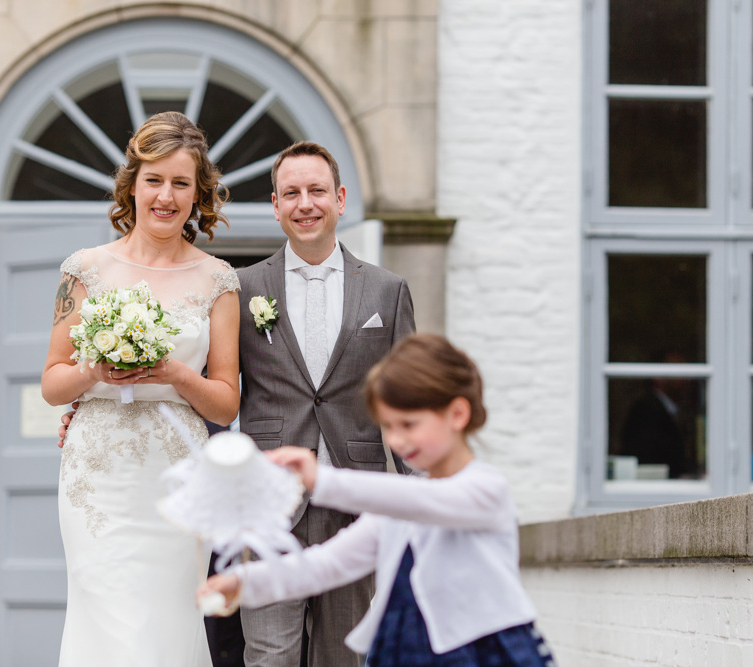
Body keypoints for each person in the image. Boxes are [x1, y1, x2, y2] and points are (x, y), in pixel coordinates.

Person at [199, 334, 556, 667]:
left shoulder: (484, 490)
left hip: (485, 650)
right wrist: (245, 581)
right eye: (388, 426)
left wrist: (322, 478)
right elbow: (326, 564)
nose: (398, 439)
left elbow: (424, 500)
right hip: (404, 651)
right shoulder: (396, 506)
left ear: (457, 415)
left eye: (409, 424)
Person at [41, 110, 240, 666]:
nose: (166, 197)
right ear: (132, 185)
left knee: (166, 625)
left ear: (198, 194)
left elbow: (227, 399)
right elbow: (53, 384)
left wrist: (176, 373)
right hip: (98, 476)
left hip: (177, 472)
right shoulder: (83, 270)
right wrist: (94, 373)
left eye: (181, 183)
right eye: (155, 180)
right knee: (106, 616)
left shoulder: (219, 279)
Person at [235, 141, 415, 667]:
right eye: (291, 193)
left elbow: (408, 401)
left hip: (355, 506)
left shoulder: (386, 291)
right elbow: (213, 390)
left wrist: (416, 499)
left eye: (316, 190)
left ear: (339, 198)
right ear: (275, 205)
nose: (304, 203)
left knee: (344, 658)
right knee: (269, 657)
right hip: (267, 511)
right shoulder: (242, 289)